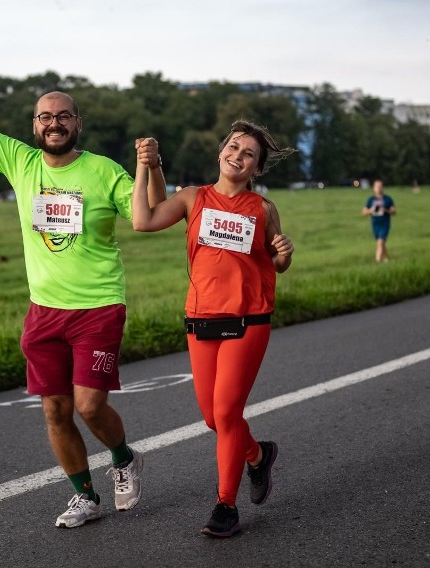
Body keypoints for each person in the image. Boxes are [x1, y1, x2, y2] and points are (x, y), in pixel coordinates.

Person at [0, 16, 167, 528]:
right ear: (35, 125)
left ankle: (124, 459)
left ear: (77, 122)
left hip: (99, 306)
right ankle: (86, 496)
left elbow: (146, 215)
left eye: (63, 116)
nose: (53, 123)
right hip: (44, 311)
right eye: (44, 117)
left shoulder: (104, 170)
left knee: (89, 406)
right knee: (55, 411)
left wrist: (152, 166)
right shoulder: (21, 162)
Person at [131, 120, 295, 537]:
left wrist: (283, 253)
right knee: (212, 418)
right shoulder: (192, 198)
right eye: (233, 147)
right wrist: (145, 166)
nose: (237, 156)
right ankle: (257, 456)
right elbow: (144, 220)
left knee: (226, 413)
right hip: (201, 319)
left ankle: (226, 505)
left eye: (248, 154)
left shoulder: (263, 209)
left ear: (256, 168)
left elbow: (276, 262)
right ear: (220, 150)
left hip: (249, 319)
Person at [361, 179, 396, 263]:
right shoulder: (371, 200)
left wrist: (385, 210)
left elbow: (394, 211)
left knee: (380, 242)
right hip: (375, 224)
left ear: (383, 187)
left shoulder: (387, 199)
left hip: (384, 223)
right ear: (373, 188)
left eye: (380, 186)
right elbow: (364, 212)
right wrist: (371, 210)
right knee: (381, 243)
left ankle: (377, 262)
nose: (378, 188)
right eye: (376, 186)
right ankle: (386, 259)